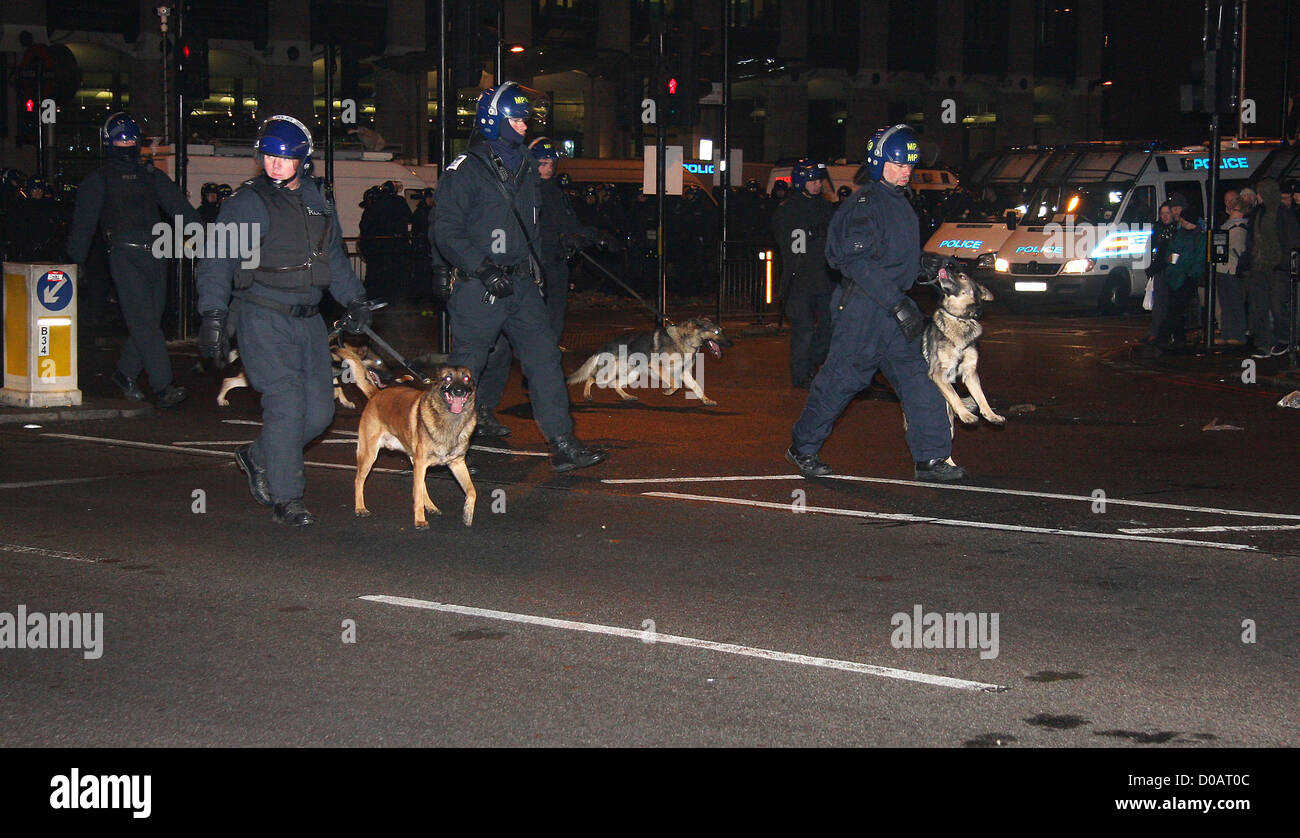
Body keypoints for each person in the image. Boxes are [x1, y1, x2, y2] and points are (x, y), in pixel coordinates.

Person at [195, 115, 372, 526]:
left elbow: (335, 263)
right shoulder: (247, 201)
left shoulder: (319, 201)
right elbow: (217, 261)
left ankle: (259, 456)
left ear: (303, 160)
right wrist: (214, 316)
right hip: (262, 315)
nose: (275, 164)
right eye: (270, 156)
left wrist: (356, 300)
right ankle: (288, 498)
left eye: (285, 158)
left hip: (309, 321)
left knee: (320, 415)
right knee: (286, 405)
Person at [430, 81, 606, 472]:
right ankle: (447, 449)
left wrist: (564, 244)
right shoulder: (466, 171)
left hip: (522, 285)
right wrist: (481, 267)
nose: (524, 124)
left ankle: (562, 442)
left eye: (526, 117)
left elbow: (534, 224)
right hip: (480, 287)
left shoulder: (526, 166)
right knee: (464, 371)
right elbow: (445, 231)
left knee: (544, 360)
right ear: (494, 121)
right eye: (516, 118)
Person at [785, 124, 965, 482]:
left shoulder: (899, 202)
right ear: (878, 162)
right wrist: (896, 304)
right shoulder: (864, 205)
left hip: (894, 308)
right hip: (864, 311)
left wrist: (926, 265)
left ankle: (931, 458)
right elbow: (855, 263)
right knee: (841, 381)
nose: (905, 171)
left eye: (909, 165)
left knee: (920, 380)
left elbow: (892, 258)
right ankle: (803, 447)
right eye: (898, 164)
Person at [470, 135, 601, 439]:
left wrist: (587, 236)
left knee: (546, 343)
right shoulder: (520, 188)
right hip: (521, 277)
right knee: (498, 349)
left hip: (550, 274)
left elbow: (564, 225)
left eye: (550, 163)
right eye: (541, 162)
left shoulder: (554, 192)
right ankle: (482, 409)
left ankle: (552, 418)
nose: (546, 168)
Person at [66, 112, 198, 408]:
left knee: (148, 322)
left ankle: (125, 374)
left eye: (130, 139)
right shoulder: (99, 180)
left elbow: (183, 212)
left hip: (156, 253)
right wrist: (76, 264)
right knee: (145, 324)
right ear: (109, 142)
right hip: (125, 255)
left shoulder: (151, 177)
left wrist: (208, 240)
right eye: (120, 139)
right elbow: (83, 227)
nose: (126, 143)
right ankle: (163, 387)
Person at [771, 158, 836, 388]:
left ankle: (811, 362)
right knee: (804, 331)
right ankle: (801, 375)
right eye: (813, 181)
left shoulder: (826, 207)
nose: (818, 185)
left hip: (824, 279)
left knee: (830, 325)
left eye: (819, 181)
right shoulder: (788, 210)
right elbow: (792, 245)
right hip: (799, 279)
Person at [1155, 202, 1205, 351]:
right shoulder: (1181, 234)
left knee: (1174, 310)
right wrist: (1169, 259)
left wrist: (1190, 273)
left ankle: (1164, 337)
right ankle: (1179, 338)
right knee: (1176, 309)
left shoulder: (1198, 238)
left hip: (1185, 277)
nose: (1180, 221)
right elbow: (1170, 251)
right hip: (1175, 276)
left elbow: (1198, 259)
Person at [1215, 193, 1250, 346]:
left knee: (1234, 303)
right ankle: (1227, 333)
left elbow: (1232, 248)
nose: (1230, 209)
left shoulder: (1238, 227)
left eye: (1234, 208)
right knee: (1225, 304)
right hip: (1224, 269)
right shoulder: (1230, 225)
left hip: (1232, 270)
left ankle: (1237, 335)